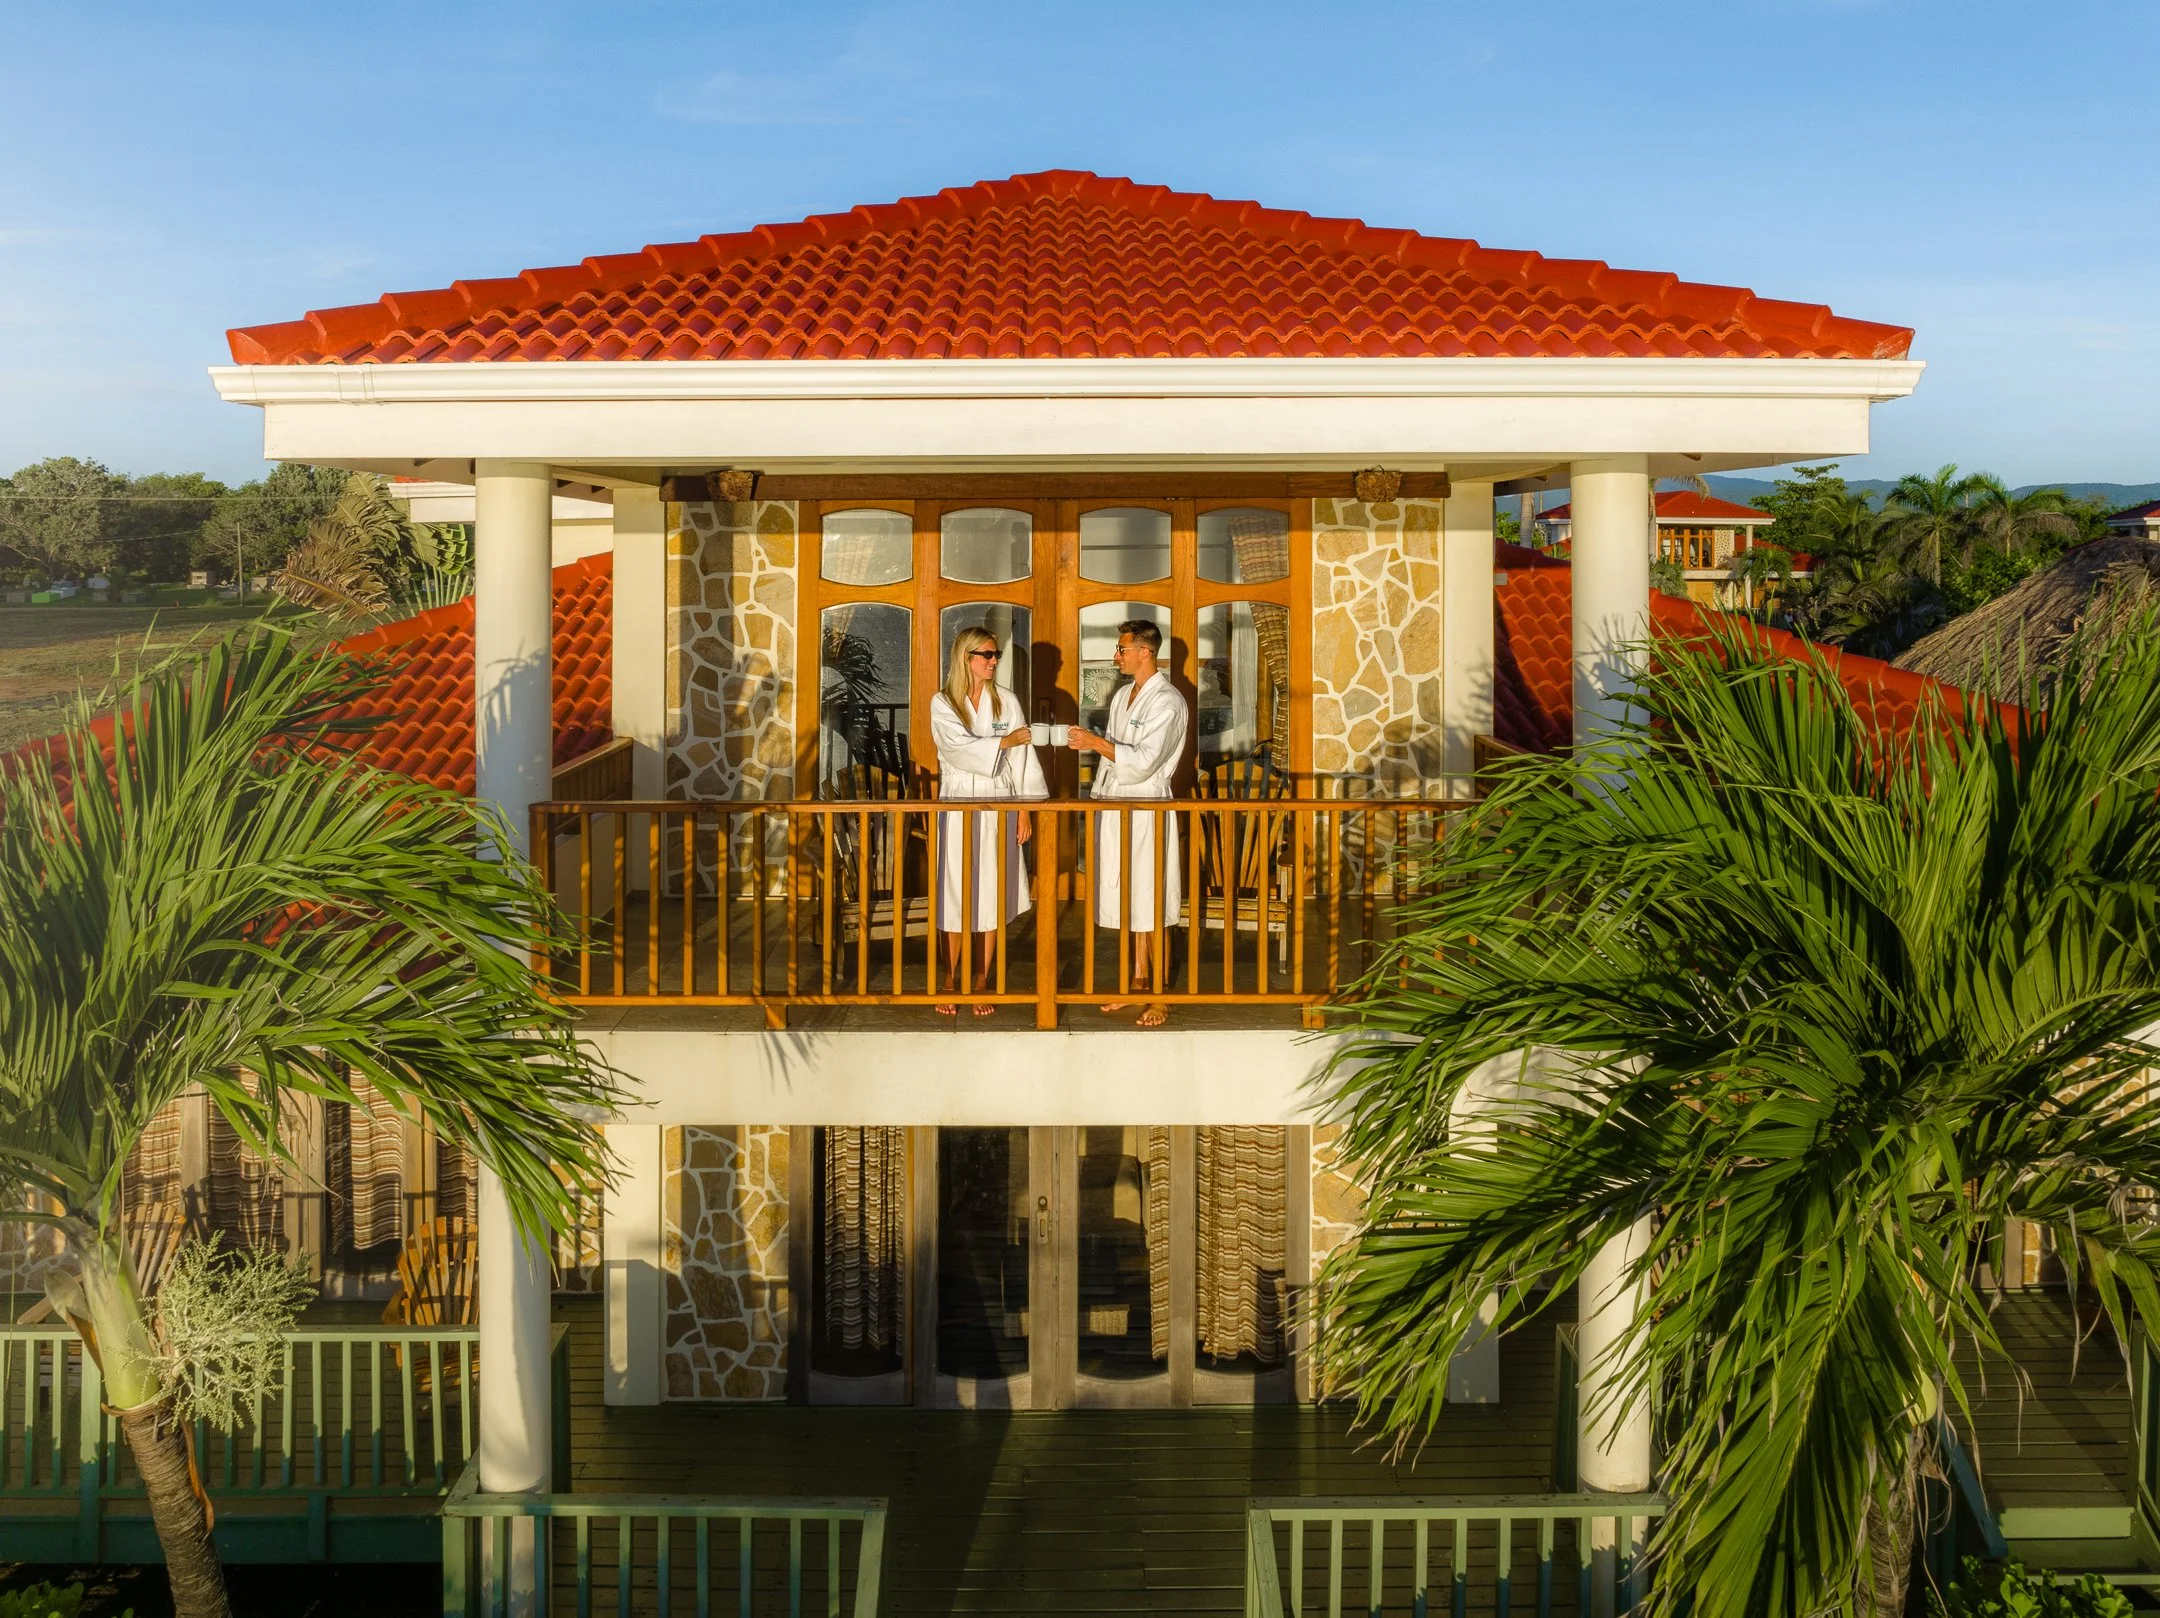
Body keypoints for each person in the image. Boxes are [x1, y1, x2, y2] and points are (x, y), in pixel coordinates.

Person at [1068, 620, 1188, 1028]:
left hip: (1147, 805)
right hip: (1116, 804)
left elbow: (1145, 761)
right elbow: (1115, 756)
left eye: (1122, 649)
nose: (1116, 656)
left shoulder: (1168, 702)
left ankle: (1160, 995)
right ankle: (1137, 981)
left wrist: (1095, 742)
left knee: (1152, 898)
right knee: (1129, 897)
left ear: (1145, 652)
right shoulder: (1123, 695)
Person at [930, 627, 1045, 1016]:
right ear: (967, 657)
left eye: (997, 655)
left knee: (992, 891)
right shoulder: (944, 702)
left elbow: (1023, 758)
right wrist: (1004, 742)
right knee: (954, 891)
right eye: (988, 655)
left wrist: (1025, 810)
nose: (994, 661)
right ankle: (950, 979)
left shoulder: (1006, 701)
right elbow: (955, 749)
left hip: (1001, 802)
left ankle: (981, 980)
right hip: (958, 802)